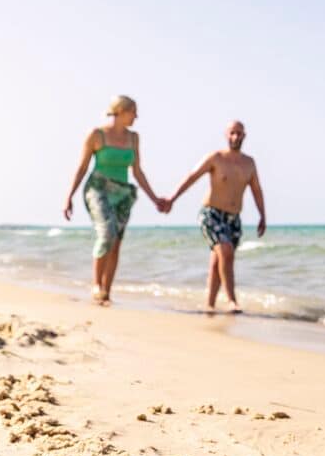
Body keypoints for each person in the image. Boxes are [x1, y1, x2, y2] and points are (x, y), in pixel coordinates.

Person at [61, 95, 169, 305]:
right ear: (120, 111)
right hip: (98, 189)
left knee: (117, 242)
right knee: (107, 232)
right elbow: (82, 167)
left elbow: (137, 172)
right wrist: (69, 196)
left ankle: (106, 292)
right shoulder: (97, 135)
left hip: (122, 194)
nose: (136, 116)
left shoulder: (134, 138)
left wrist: (155, 199)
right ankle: (96, 285)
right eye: (133, 112)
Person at [164, 119, 268, 313]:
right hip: (211, 214)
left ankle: (209, 305)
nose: (236, 136)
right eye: (232, 133)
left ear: (244, 136)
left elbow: (256, 190)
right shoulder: (216, 158)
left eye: (239, 133)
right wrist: (172, 198)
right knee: (225, 251)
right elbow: (192, 177)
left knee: (219, 261)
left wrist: (263, 215)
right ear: (226, 135)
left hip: (233, 218)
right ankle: (232, 301)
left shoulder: (249, 163)